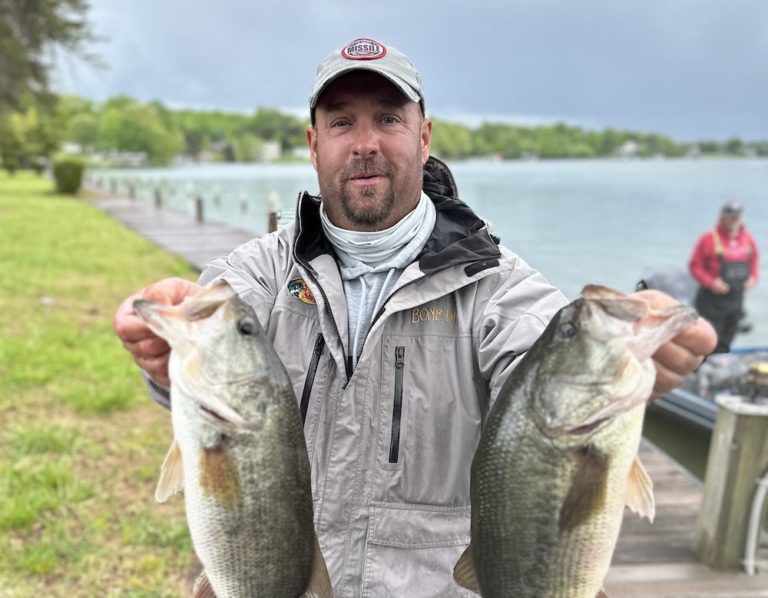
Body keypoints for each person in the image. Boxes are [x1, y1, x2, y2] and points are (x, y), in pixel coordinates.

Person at [114, 38, 716, 596]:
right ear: (313, 143)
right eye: (342, 121)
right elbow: (208, 357)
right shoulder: (258, 274)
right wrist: (163, 356)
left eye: (389, 118)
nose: (365, 142)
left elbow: (540, 369)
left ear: (425, 137)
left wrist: (625, 358)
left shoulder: (498, 286)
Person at [689, 201, 759, 353]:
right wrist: (711, 282)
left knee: (727, 339)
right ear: (722, 217)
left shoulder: (747, 239)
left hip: (736, 300)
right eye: (731, 216)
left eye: (737, 216)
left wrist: (753, 278)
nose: (735, 220)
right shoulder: (708, 239)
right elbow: (694, 266)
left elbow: (754, 260)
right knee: (708, 341)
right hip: (711, 302)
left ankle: (721, 365)